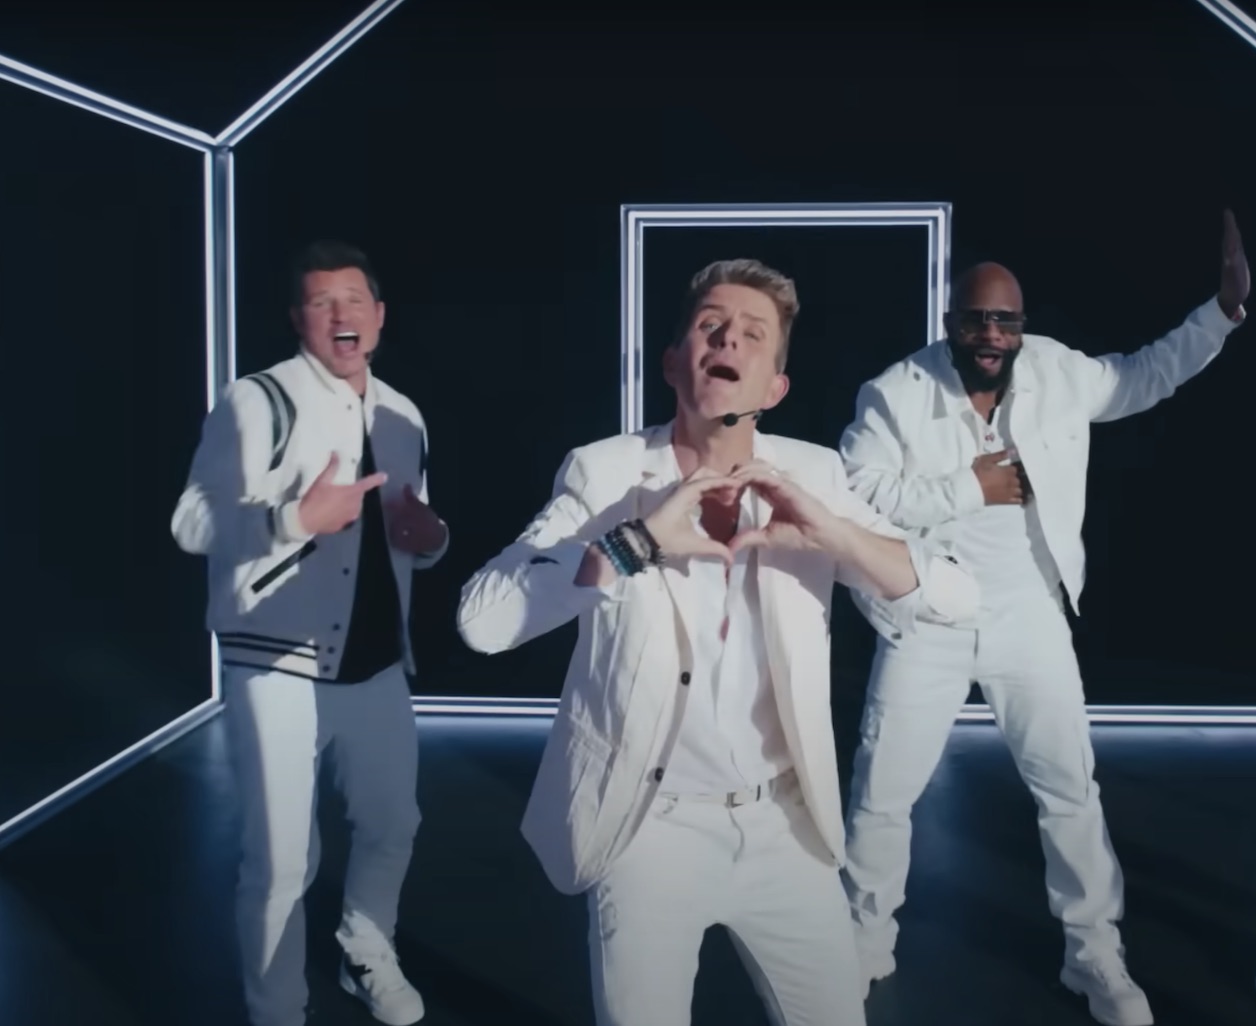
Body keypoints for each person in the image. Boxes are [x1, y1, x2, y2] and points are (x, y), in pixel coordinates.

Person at [456, 258, 977, 1026]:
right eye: (710, 326)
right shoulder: (605, 473)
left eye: (753, 333)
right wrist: (632, 545)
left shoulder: (815, 475)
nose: (729, 338)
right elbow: (483, 622)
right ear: (674, 363)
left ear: (775, 388)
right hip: (648, 828)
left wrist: (834, 534)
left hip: (785, 826)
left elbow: (958, 599)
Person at [836, 212, 1251, 1026]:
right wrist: (970, 487)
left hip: (1030, 611)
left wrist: (1223, 312)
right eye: (976, 320)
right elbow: (859, 494)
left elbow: (1145, 375)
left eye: (1006, 321)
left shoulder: (1058, 372)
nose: (991, 335)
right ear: (950, 320)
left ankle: (1093, 954)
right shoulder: (895, 392)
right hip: (928, 613)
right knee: (882, 794)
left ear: (1022, 324)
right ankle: (862, 942)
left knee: (1069, 791)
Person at [171, 240, 446, 1026]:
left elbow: (412, 531)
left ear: (379, 315)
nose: (340, 314)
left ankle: (365, 951)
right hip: (276, 662)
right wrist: (294, 518)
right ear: (299, 318)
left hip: (376, 662)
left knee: (393, 824)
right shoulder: (256, 400)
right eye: (322, 302)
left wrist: (433, 539)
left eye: (353, 299)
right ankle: (277, 1010)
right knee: (282, 859)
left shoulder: (403, 414)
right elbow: (191, 520)